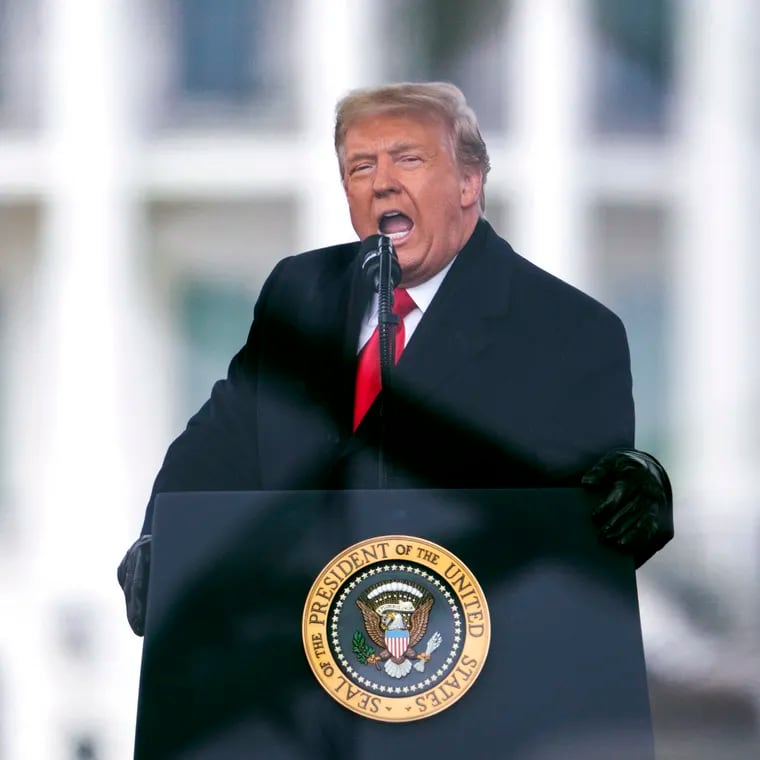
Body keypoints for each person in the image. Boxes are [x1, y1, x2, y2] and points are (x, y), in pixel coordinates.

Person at [118, 82, 673, 636]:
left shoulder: (569, 330)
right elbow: (220, 444)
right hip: (291, 668)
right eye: (361, 167)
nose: (382, 182)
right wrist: (160, 542)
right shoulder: (301, 291)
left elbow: (592, 521)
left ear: (468, 182)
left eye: (408, 159)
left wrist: (637, 492)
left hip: (470, 674)